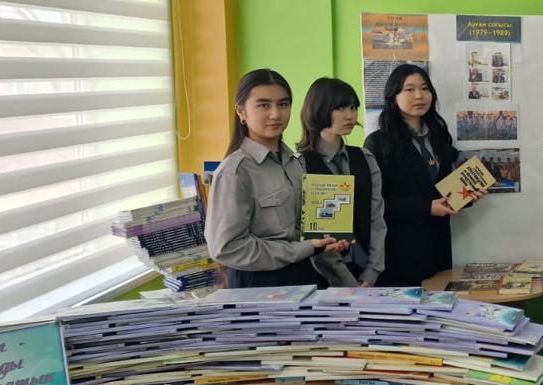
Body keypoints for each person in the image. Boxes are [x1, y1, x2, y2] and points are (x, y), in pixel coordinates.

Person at [207, 69, 348, 288]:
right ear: (241, 112)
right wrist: (303, 248)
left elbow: (305, 230)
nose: (275, 114)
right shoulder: (234, 172)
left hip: (303, 275)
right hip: (258, 285)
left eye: (283, 104)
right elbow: (226, 248)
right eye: (263, 105)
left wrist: (329, 239)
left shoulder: (294, 162)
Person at [364, 64, 485, 285]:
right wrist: (427, 208)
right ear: (393, 96)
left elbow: (441, 191)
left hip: (439, 248)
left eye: (425, 88)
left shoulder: (439, 136)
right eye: (409, 89)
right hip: (399, 252)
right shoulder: (378, 142)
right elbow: (375, 205)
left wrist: (466, 196)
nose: (419, 95)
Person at [296, 77, 387, 287]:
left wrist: (371, 273)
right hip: (323, 279)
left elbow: (377, 220)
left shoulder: (365, 159)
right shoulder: (300, 165)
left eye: (353, 107)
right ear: (318, 109)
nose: (350, 115)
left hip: (368, 274)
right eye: (340, 108)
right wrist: (349, 285)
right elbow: (312, 235)